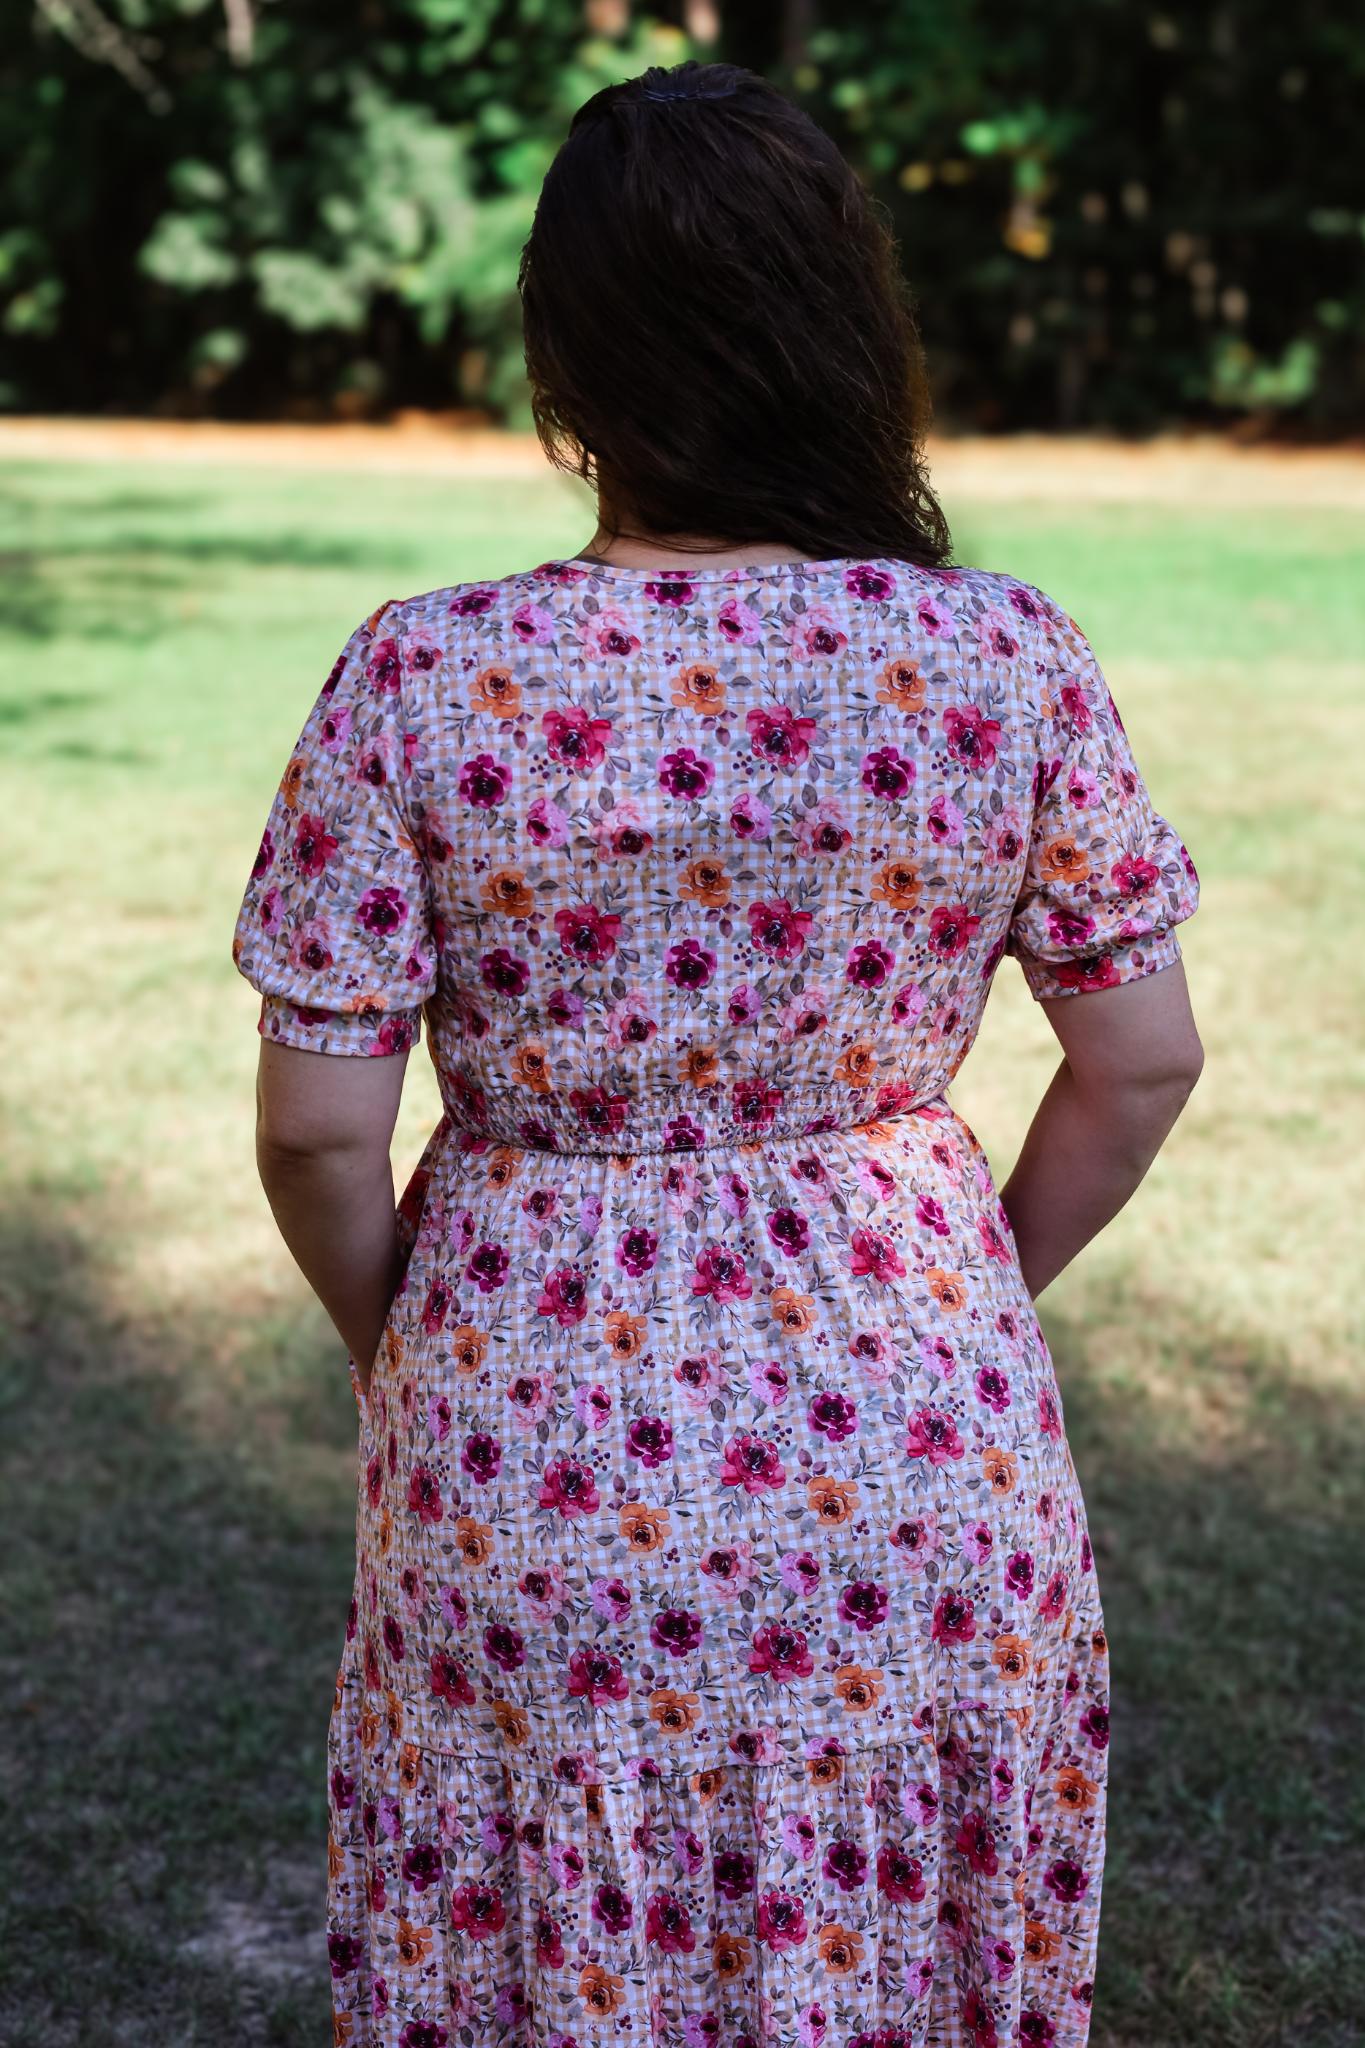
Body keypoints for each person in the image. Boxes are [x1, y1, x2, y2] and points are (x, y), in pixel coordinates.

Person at [231, 57, 1203, 2048]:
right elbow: (1140, 1061)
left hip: (522, 1425)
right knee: (898, 1911)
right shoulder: (998, 654)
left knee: (538, 1900)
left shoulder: (425, 670)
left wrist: (397, 1337)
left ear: (565, 364)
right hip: (918, 1425)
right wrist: (964, 1297)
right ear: (843, 330)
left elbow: (320, 1131)